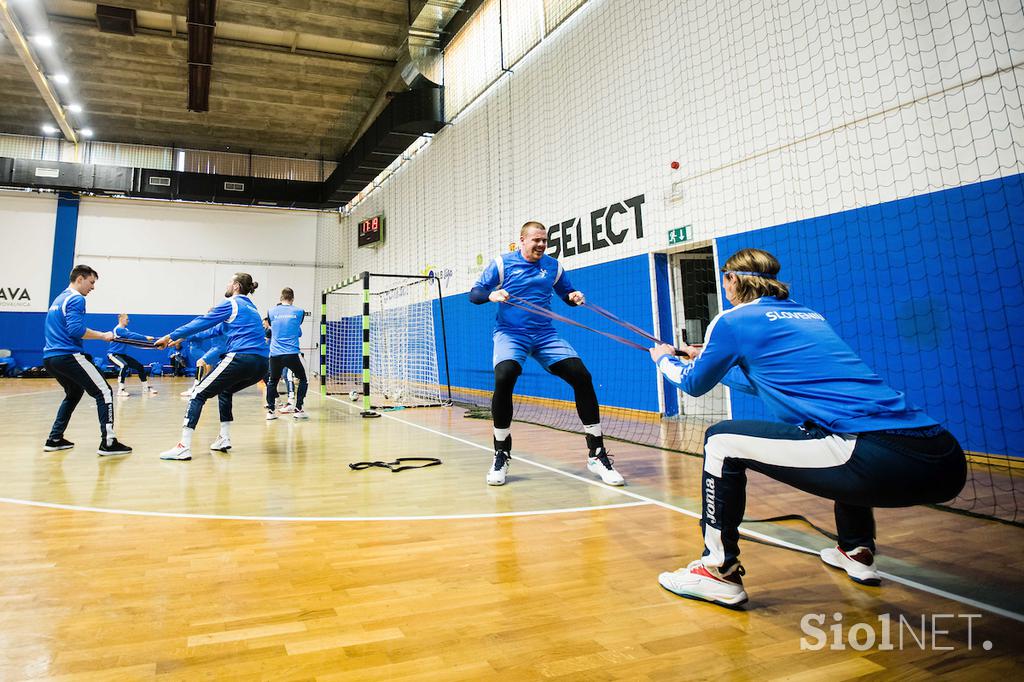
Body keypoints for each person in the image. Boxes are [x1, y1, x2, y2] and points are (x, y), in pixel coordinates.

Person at [649, 248, 966, 608]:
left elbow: (692, 385)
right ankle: (855, 549)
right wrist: (704, 357)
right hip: (944, 458)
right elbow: (765, 382)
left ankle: (717, 571)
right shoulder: (810, 315)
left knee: (721, 440)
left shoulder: (731, 320)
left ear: (732, 279)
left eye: (725, 280)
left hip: (873, 459)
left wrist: (665, 360)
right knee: (828, 428)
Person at [469, 221, 623, 487]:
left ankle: (597, 454)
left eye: (544, 240)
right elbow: (475, 294)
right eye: (536, 240)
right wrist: (492, 295)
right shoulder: (503, 264)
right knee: (504, 377)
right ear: (522, 240)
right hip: (511, 334)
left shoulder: (553, 266)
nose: (541, 244)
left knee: (581, 376)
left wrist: (573, 296)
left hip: (544, 335)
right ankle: (501, 452)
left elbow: (565, 293)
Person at [154, 273, 269, 460]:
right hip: (262, 364)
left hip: (242, 357)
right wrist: (180, 338)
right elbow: (212, 330)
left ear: (237, 286)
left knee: (197, 393)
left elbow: (201, 322)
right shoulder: (252, 309)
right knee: (224, 391)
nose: (228, 284)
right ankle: (224, 437)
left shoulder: (232, 303)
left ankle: (184, 446)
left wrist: (170, 336)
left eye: (230, 281)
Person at [42, 264, 132, 456]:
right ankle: (108, 442)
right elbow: (75, 330)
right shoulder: (76, 299)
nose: (92, 288)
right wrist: (102, 335)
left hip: (50, 358)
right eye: (91, 282)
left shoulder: (59, 299)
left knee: (74, 392)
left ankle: (54, 438)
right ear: (80, 279)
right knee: (105, 392)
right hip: (67, 355)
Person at [264, 287, 309, 421]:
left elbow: (272, 327)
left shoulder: (271, 312)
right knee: (303, 379)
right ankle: (298, 409)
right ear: (293, 298)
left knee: (272, 381)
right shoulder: (300, 312)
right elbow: (298, 327)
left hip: (275, 354)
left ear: (281, 298)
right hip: (292, 353)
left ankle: (271, 411)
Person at [107, 313, 157, 396]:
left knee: (139, 366)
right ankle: (121, 390)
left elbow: (133, 340)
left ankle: (146, 387)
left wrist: (152, 345)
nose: (128, 321)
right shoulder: (118, 329)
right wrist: (145, 337)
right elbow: (132, 335)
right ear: (121, 319)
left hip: (122, 355)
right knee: (124, 366)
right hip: (113, 355)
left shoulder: (125, 330)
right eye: (127, 319)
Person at [179, 321, 227, 397]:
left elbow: (201, 335)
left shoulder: (218, 325)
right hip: (219, 348)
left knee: (201, 362)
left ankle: (196, 388)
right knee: (214, 366)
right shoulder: (223, 324)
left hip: (219, 348)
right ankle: (208, 385)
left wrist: (181, 337)